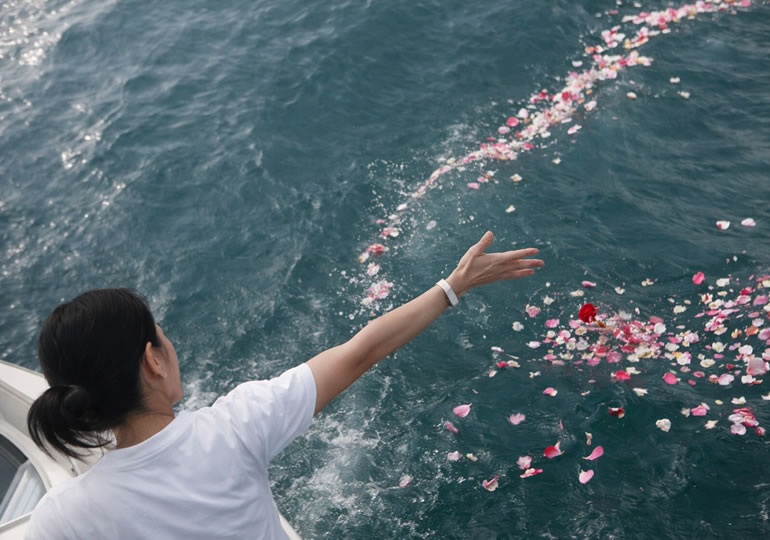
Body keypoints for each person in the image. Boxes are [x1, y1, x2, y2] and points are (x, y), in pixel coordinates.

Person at [25, 231, 543, 539]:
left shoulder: (63, 517)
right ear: (152, 362)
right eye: (162, 335)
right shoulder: (235, 427)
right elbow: (361, 351)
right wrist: (454, 285)